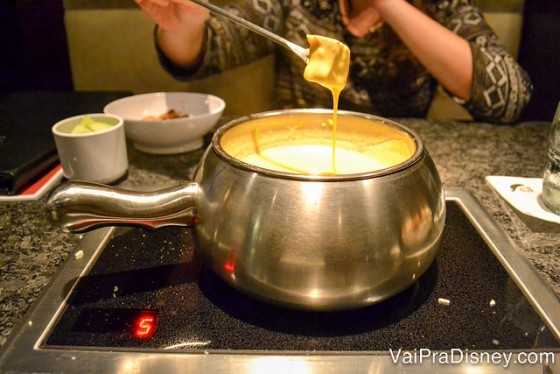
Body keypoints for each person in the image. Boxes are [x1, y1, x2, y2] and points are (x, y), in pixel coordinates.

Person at [135, 0, 532, 124]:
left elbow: (509, 98)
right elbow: (208, 50)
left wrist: (388, 3)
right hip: (292, 158)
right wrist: (182, 26)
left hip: (388, 173)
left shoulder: (443, 5)